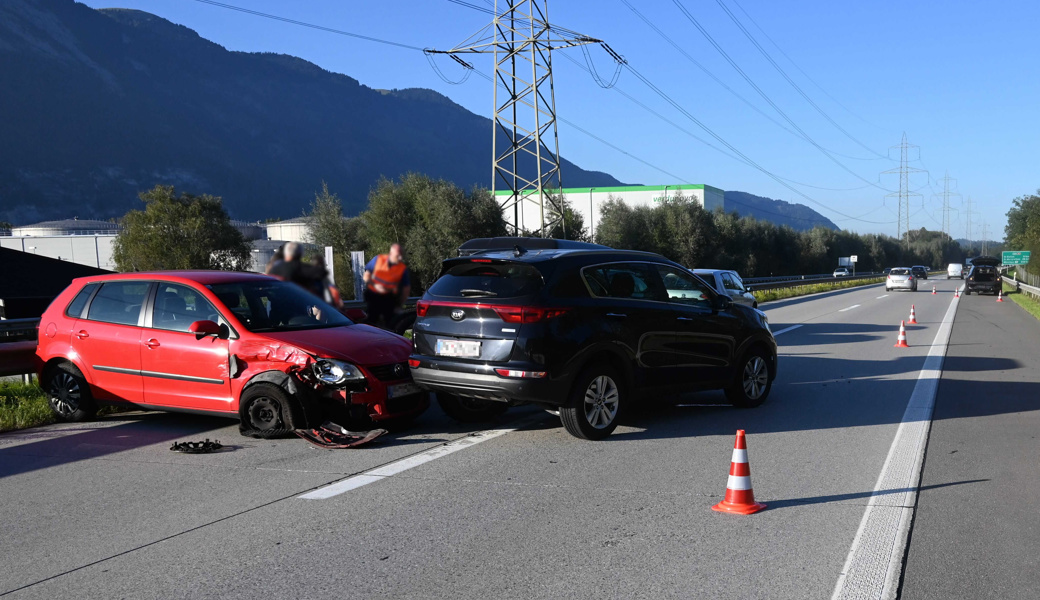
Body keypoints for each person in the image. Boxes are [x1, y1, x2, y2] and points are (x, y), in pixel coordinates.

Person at [363, 243, 410, 328]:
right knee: (372, 325)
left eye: (401, 256)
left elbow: (406, 289)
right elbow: (366, 276)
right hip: (374, 299)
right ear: (391, 254)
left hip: (390, 302)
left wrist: (399, 305)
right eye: (397, 256)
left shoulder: (402, 268)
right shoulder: (378, 260)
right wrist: (375, 285)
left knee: (390, 327)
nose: (400, 258)